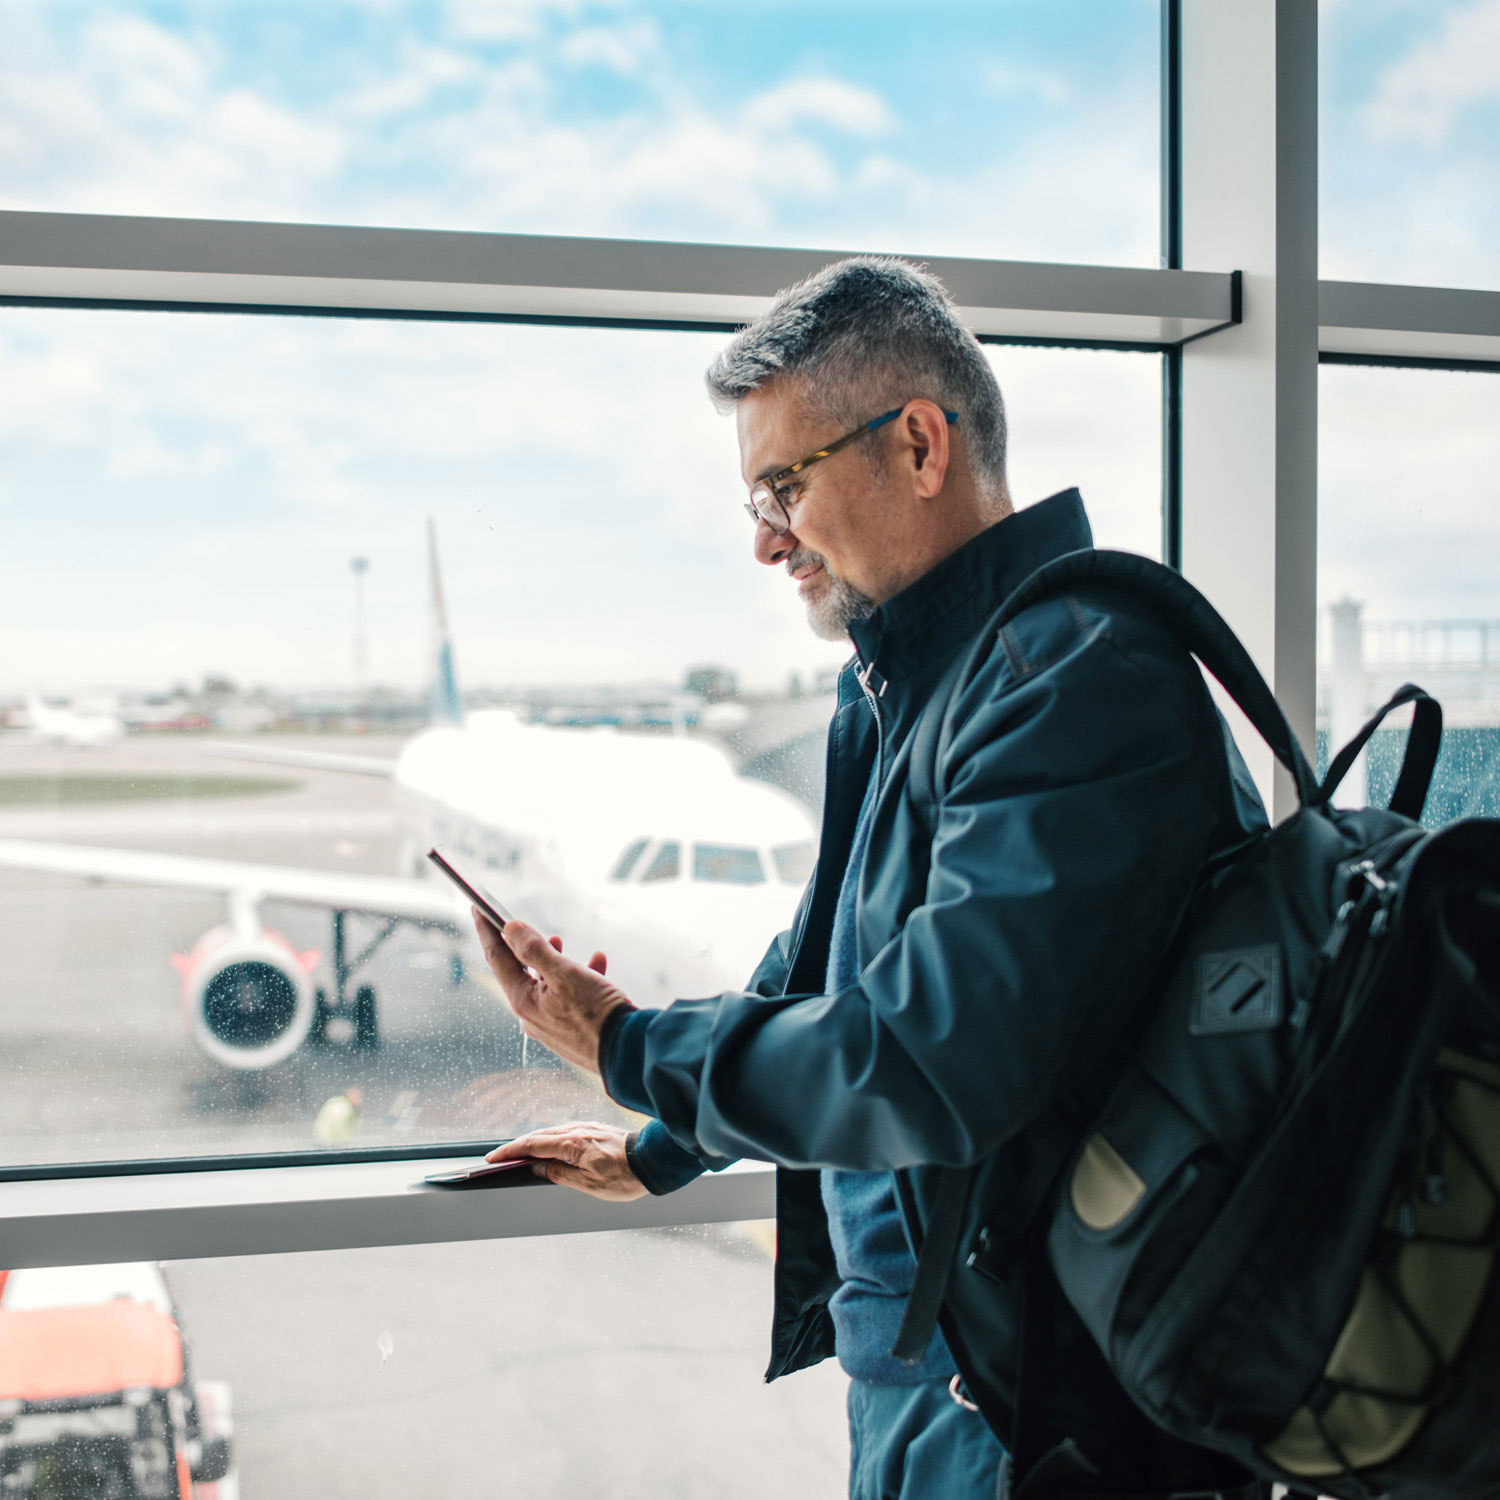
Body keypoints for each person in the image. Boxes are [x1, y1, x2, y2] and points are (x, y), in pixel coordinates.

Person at [473, 257, 1267, 1500]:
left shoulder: (1075, 681)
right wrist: (667, 1141)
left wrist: (630, 1043)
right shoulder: (912, 685)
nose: (762, 539)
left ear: (917, 445)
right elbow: (820, 965)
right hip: (928, 1362)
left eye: (783, 484)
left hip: (1036, 1403)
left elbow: (932, 1060)